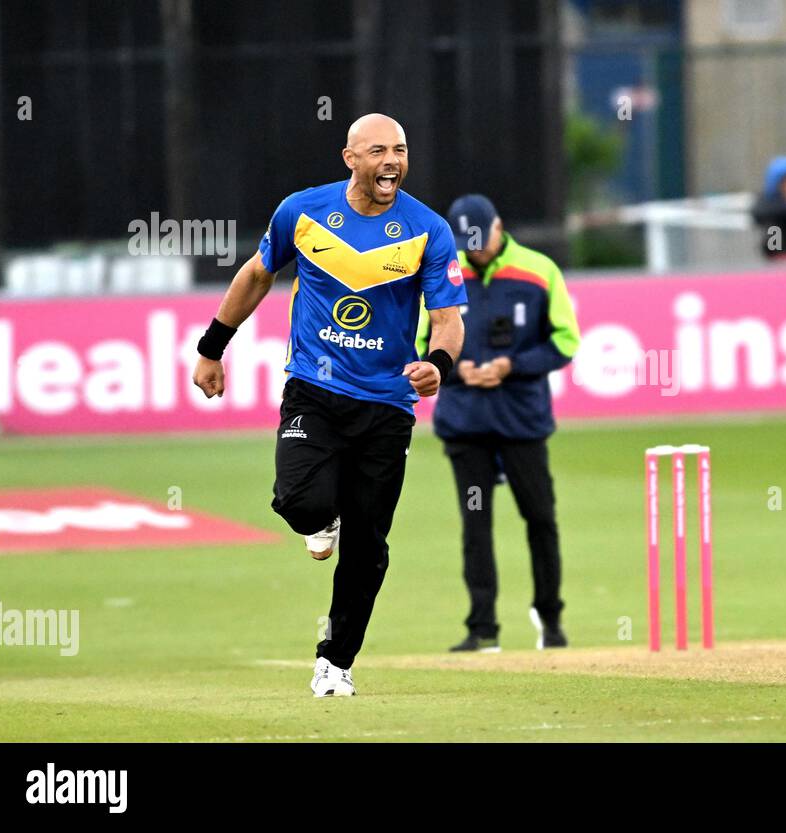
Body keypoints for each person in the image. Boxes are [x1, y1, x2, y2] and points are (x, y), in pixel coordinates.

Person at [191, 113, 466, 697]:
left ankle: (334, 663)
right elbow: (257, 275)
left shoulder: (430, 230)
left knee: (367, 549)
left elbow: (447, 320)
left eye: (400, 151)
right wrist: (212, 348)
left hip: (388, 405)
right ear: (350, 158)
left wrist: (437, 367)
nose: (392, 161)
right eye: (378, 152)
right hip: (313, 391)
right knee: (298, 500)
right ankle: (322, 518)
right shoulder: (303, 210)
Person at [420, 194, 581, 652]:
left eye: (481, 239)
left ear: (499, 226)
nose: (476, 251)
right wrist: (452, 367)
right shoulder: (442, 273)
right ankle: (482, 628)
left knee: (540, 518)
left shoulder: (538, 270)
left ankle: (550, 621)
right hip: (465, 421)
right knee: (476, 524)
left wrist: (512, 365)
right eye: (466, 243)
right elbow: (417, 341)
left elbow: (566, 341)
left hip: (521, 420)